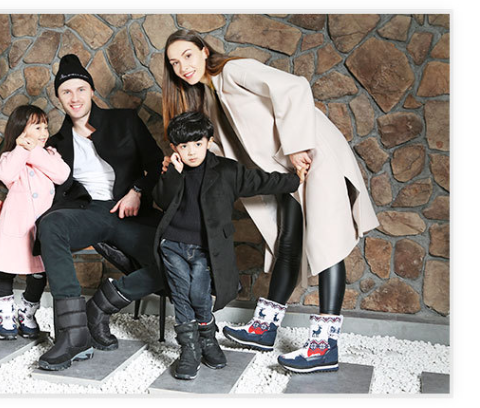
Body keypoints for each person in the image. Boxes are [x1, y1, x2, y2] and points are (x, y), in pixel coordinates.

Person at [162, 29, 379, 374]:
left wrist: (296, 146)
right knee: (288, 241)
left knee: (327, 243)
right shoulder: (209, 95)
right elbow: (219, 146)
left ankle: (325, 346)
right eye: (174, 63)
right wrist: (180, 160)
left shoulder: (233, 71)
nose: (182, 66)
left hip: (311, 153)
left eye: (187, 55)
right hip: (289, 170)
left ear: (203, 51)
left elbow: (294, 87)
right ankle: (265, 328)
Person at [0, 54, 164, 371]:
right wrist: (9, 203)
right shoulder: (54, 144)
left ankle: (99, 307)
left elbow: (156, 164)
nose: (74, 97)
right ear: (59, 98)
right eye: (66, 92)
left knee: (174, 256)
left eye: (81, 89)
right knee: (51, 226)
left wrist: (137, 191)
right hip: (87, 212)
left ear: (91, 90)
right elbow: (38, 186)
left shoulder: (125, 120)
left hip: (129, 211)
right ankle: (73, 335)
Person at [154, 111, 305, 380]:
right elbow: (162, 201)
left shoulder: (226, 170)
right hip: (172, 245)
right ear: (175, 148)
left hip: (205, 249)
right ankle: (189, 350)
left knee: (199, 294)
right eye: (184, 146)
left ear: (209, 141)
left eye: (197, 144)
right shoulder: (174, 170)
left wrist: (295, 180)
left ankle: (207, 339)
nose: (191, 152)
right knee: (181, 296)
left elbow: (261, 181)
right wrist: (172, 174)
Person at [0, 105, 70, 340]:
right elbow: (5, 174)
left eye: (45, 127)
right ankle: (5, 315)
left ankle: (27, 313)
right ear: (21, 130)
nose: (44, 132)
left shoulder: (50, 155)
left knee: (38, 273)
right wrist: (22, 148)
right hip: (15, 226)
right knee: (6, 272)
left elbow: (62, 175)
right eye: (37, 127)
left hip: (40, 228)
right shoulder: (11, 157)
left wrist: (34, 150)